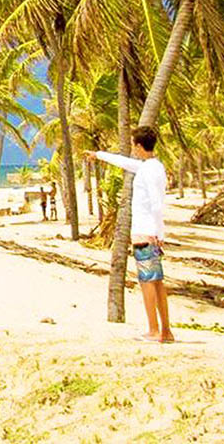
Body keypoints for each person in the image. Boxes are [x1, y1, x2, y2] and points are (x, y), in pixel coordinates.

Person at [85, 125, 173, 343]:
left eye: (134, 144)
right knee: (157, 281)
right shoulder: (152, 166)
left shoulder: (149, 170)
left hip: (145, 233)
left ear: (140, 145)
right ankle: (166, 331)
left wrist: (158, 232)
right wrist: (98, 155)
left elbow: (156, 203)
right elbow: (125, 163)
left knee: (147, 282)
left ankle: (154, 330)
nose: (132, 147)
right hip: (149, 232)